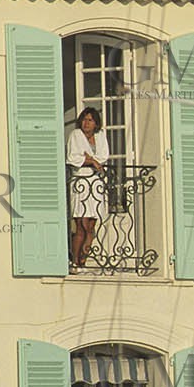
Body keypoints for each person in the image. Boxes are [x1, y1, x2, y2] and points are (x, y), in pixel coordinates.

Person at [67, 107, 109, 271]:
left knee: (91, 225)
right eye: (84, 119)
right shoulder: (75, 135)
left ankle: (83, 261)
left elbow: (104, 156)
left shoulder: (100, 137)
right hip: (81, 181)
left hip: (96, 183)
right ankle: (75, 262)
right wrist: (91, 162)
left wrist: (90, 158)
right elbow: (73, 157)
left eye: (90, 120)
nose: (86, 123)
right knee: (81, 224)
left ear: (96, 123)